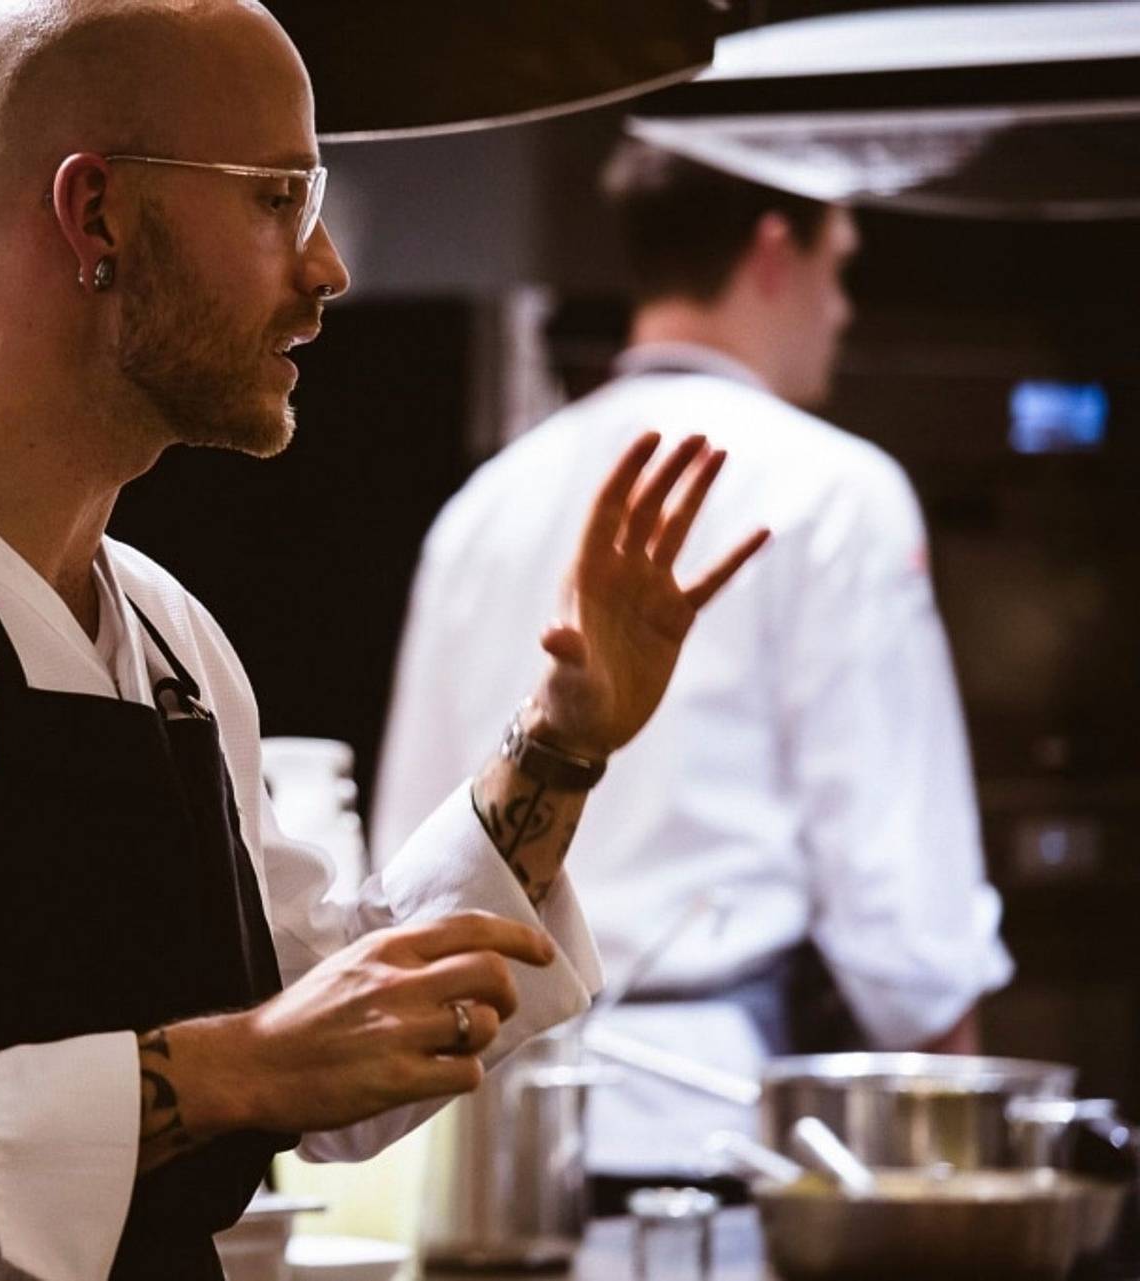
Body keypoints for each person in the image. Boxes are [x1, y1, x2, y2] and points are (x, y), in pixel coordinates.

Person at [0, 7, 765, 1277]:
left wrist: (562, 745)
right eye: (278, 200)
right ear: (96, 216)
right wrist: (241, 1069)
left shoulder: (164, 633)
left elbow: (333, 1028)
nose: (326, 270)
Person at [373, 137, 1012, 1191]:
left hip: (487, 1150)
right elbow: (901, 905)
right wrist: (972, 1169)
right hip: (707, 1134)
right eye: (838, 266)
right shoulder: (835, 490)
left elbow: (410, 863)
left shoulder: (483, 504)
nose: (842, 310)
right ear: (774, 251)